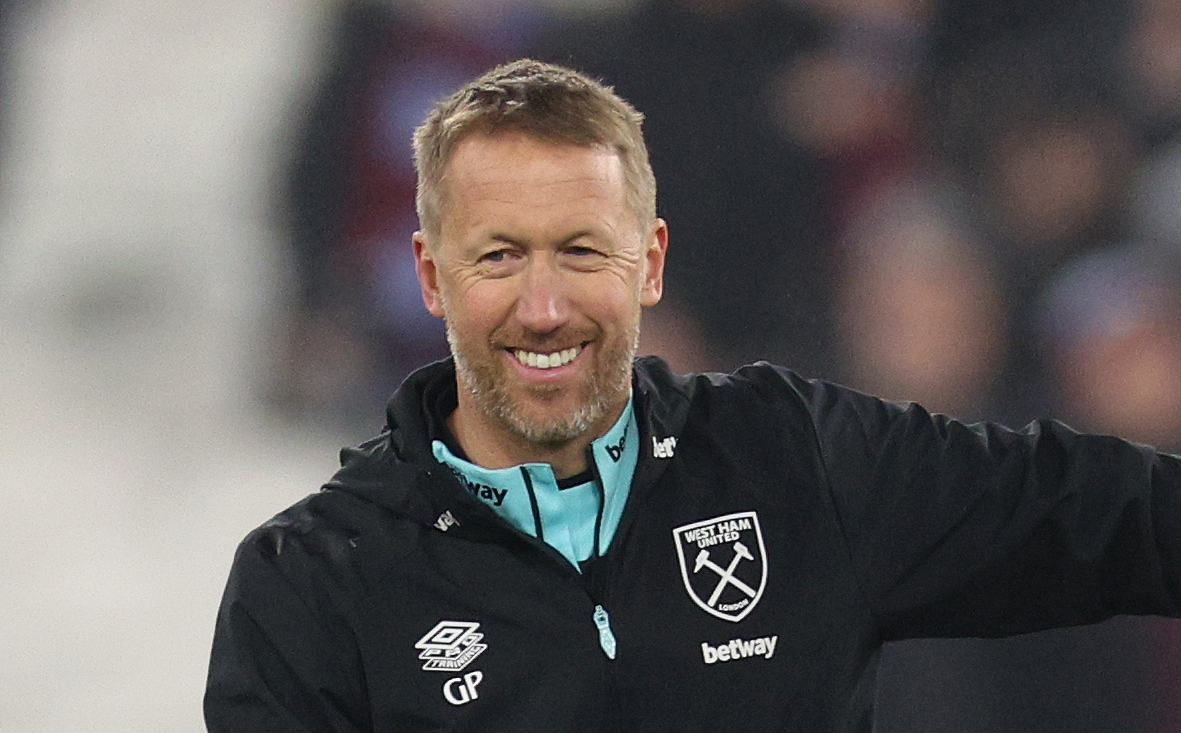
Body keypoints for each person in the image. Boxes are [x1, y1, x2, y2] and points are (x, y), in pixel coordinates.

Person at [204, 59, 1181, 733]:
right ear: (429, 274)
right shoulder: (315, 578)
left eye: (582, 250)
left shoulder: (801, 450)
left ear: (649, 264)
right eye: (498, 253)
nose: (544, 303)